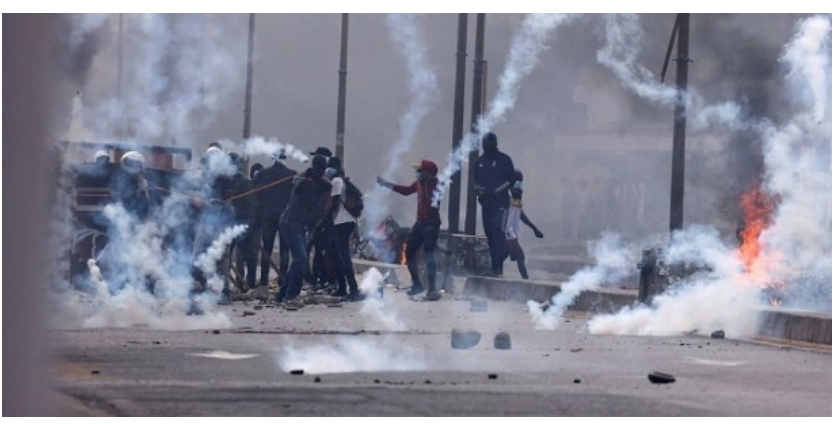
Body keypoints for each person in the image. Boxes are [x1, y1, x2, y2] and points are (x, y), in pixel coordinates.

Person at [377, 159, 443, 301]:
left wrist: (426, 184)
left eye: (420, 171)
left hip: (432, 224)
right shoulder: (419, 184)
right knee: (409, 253)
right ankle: (417, 284)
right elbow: (406, 191)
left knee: (429, 254)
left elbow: (434, 201)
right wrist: (386, 185)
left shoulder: (436, 184)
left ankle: (432, 289)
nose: (417, 173)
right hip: (420, 223)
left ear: (427, 173)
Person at [273, 154, 332, 308]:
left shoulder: (322, 184)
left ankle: (282, 295)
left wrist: (316, 179)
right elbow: (298, 189)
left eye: (321, 168)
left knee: (298, 261)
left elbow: (327, 189)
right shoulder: (302, 179)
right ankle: (291, 296)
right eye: (318, 168)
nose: (320, 170)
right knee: (301, 259)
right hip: (289, 223)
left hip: (301, 226)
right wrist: (308, 179)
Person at [319, 156, 364, 301]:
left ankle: (353, 289)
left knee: (343, 257)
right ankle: (343, 288)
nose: (327, 170)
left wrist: (323, 221)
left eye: (329, 167)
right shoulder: (340, 181)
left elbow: (334, 204)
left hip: (343, 222)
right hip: (342, 222)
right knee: (338, 256)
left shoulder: (337, 181)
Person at [473, 132, 516, 278]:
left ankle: (498, 266)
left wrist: (495, 191)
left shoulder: (504, 160)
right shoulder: (479, 162)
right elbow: (475, 182)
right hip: (486, 203)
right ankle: (495, 267)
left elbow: (511, 180)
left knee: (498, 233)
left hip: (500, 202)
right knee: (490, 235)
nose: (487, 146)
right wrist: (480, 191)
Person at [252, 150, 297, 289]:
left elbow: (254, 191)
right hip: (285, 216)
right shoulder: (292, 174)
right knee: (284, 249)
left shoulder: (263, 174)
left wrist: (262, 207)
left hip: (268, 216)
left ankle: (264, 280)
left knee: (267, 248)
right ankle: (282, 280)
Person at [226, 151, 258, 293]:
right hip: (238, 220)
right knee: (242, 252)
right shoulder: (243, 182)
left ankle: (240, 282)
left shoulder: (239, 182)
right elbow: (252, 204)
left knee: (237, 252)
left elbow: (250, 203)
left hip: (237, 221)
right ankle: (244, 282)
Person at [503, 169, 543, 280]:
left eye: (521, 182)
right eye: (518, 181)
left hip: (511, 233)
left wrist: (534, 228)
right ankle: (526, 282)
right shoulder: (505, 196)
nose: (520, 185)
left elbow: (520, 214)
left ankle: (489, 272)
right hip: (508, 232)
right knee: (520, 257)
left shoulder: (516, 197)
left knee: (502, 256)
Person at [307, 146, 336, 291]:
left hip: (320, 220)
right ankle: (316, 279)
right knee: (318, 251)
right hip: (320, 220)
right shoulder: (322, 179)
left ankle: (316, 279)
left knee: (318, 251)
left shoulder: (324, 180)